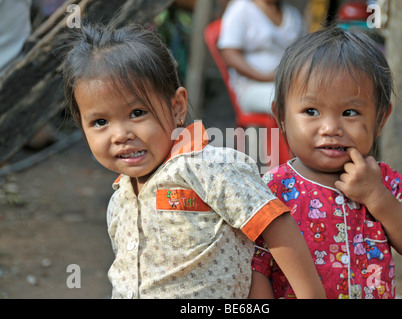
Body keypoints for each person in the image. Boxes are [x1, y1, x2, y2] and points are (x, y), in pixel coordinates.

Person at [62, 23, 325, 299]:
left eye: (137, 113)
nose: (120, 135)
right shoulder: (120, 201)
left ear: (177, 107)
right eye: (100, 122)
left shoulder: (206, 167)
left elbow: (274, 223)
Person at [249, 26, 402, 299]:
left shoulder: (383, 181)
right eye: (311, 111)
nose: (330, 128)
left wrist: (378, 198)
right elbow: (256, 269)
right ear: (281, 117)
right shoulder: (271, 190)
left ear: (380, 119)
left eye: (350, 112)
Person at [217, 0, 306, 114]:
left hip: (287, 84)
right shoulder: (241, 9)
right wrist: (264, 77)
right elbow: (229, 54)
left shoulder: (292, 15)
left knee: (309, 97)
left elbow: (304, 51)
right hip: (252, 87)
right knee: (291, 102)